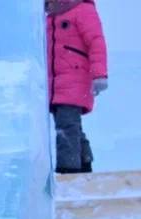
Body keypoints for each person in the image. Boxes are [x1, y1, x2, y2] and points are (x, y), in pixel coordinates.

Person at [46, 0, 108, 174]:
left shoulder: (82, 10)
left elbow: (96, 41)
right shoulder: (50, 16)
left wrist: (99, 74)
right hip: (56, 83)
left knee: (66, 126)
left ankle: (69, 170)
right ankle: (83, 162)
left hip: (75, 77)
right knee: (70, 124)